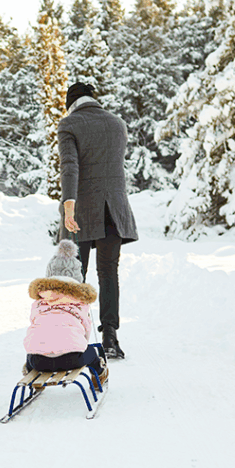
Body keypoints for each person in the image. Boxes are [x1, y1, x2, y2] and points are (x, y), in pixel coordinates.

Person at [58, 82, 139, 359]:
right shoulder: (117, 124)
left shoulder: (69, 124)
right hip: (113, 211)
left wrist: (69, 205)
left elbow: (70, 166)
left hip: (81, 212)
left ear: (71, 103)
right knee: (108, 273)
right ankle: (110, 337)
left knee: (74, 275)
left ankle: (71, 336)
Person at [23, 239, 107, 382]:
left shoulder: (39, 301)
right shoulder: (80, 302)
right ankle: (99, 372)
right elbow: (85, 331)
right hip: (72, 359)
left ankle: (29, 369)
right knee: (91, 351)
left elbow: (34, 323)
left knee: (33, 348)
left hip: (38, 361)